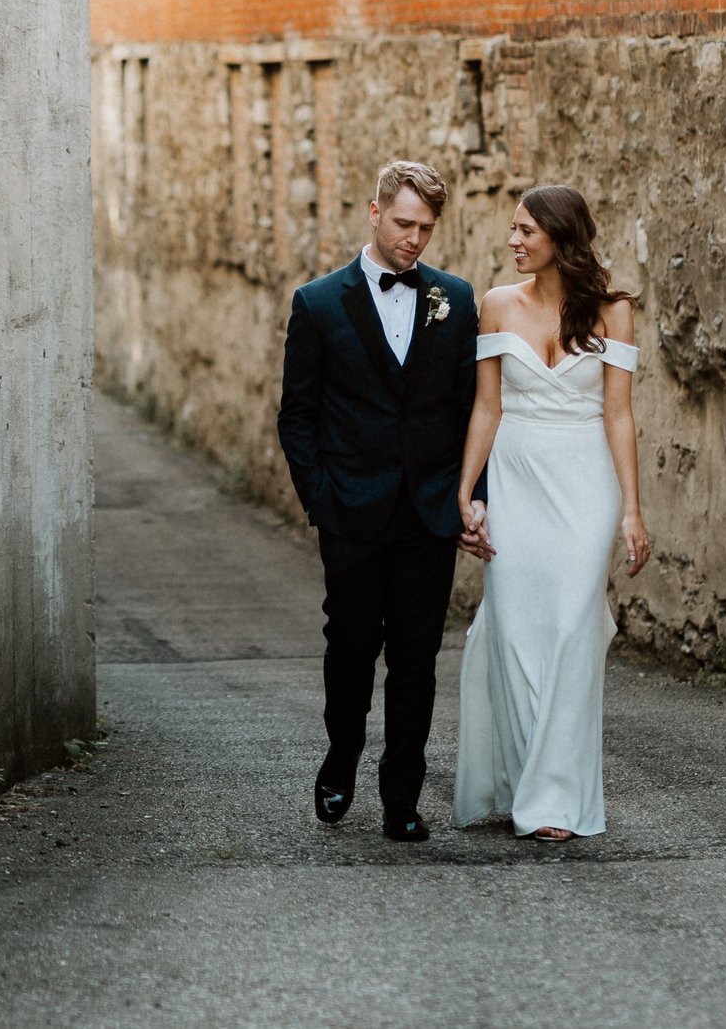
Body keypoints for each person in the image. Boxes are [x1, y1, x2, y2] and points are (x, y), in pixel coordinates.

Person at [277, 160, 480, 842]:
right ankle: (342, 755)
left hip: (427, 511)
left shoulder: (454, 299)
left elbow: (469, 409)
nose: (414, 239)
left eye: (426, 228)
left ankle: (402, 797)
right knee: (352, 645)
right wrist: (320, 498)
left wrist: (467, 498)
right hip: (352, 511)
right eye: (403, 223)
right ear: (373, 212)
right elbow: (296, 416)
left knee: (417, 656)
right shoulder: (319, 303)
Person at [451, 184, 649, 841]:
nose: (513, 241)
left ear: (562, 239)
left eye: (526, 231)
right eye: (512, 229)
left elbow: (618, 414)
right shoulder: (496, 306)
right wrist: (467, 490)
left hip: (585, 483)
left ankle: (554, 797)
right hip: (516, 478)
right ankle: (521, 779)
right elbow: (488, 405)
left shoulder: (615, 312)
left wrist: (631, 510)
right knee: (512, 630)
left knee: (571, 630)